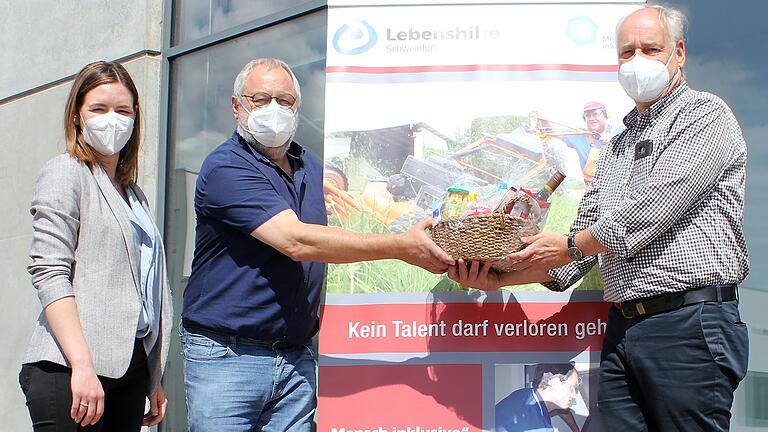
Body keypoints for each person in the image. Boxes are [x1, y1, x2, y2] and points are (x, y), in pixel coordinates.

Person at [450, 4, 749, 431]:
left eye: (650, 48)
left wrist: (572, 245)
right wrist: (500, 275)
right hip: (624, 329)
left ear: (679, 53)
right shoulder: (617, 146)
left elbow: (655, 206)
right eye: (627, 52)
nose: (637, 60)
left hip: (690, 323)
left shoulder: (704, 115)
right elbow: (577, 251)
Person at [181, 58, 453, 431]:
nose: (273, 110)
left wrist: (339, 179)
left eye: (285, 101)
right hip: (229, 356)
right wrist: (401, 246)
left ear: (297, 108)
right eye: (260, 100)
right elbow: (295, 240)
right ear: (236, 106)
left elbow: (343, 185)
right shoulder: (226, 168)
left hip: (295, 359)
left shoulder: (306, 165)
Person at [20, 61, 172, 431]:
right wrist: (82, 366)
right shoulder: (66, 172)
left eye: (122, 110)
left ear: (136, 117)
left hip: (129, 371)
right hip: (70, 369)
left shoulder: (134, 196)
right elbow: (49, 271)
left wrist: (152, 378)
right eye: (99, 109)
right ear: (77, 116)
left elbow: (143, 291)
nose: (112, 120)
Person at [495, 363, 581, 432]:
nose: (574, 395)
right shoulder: (541, 428)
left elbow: (561, 411)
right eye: (572, 387)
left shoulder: (522, 394)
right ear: (554, 382)